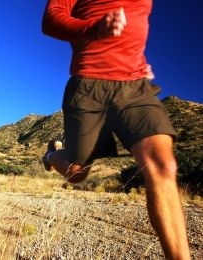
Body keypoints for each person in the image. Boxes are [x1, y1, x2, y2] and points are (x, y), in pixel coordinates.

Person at [41, 0, 191, 259]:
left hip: (134, 86)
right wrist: (95, 28)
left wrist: (139, 59)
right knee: (77, 173)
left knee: (163, 165)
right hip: (89, 85)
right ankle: (52, 155)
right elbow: (51, 19)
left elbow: (135, 25)